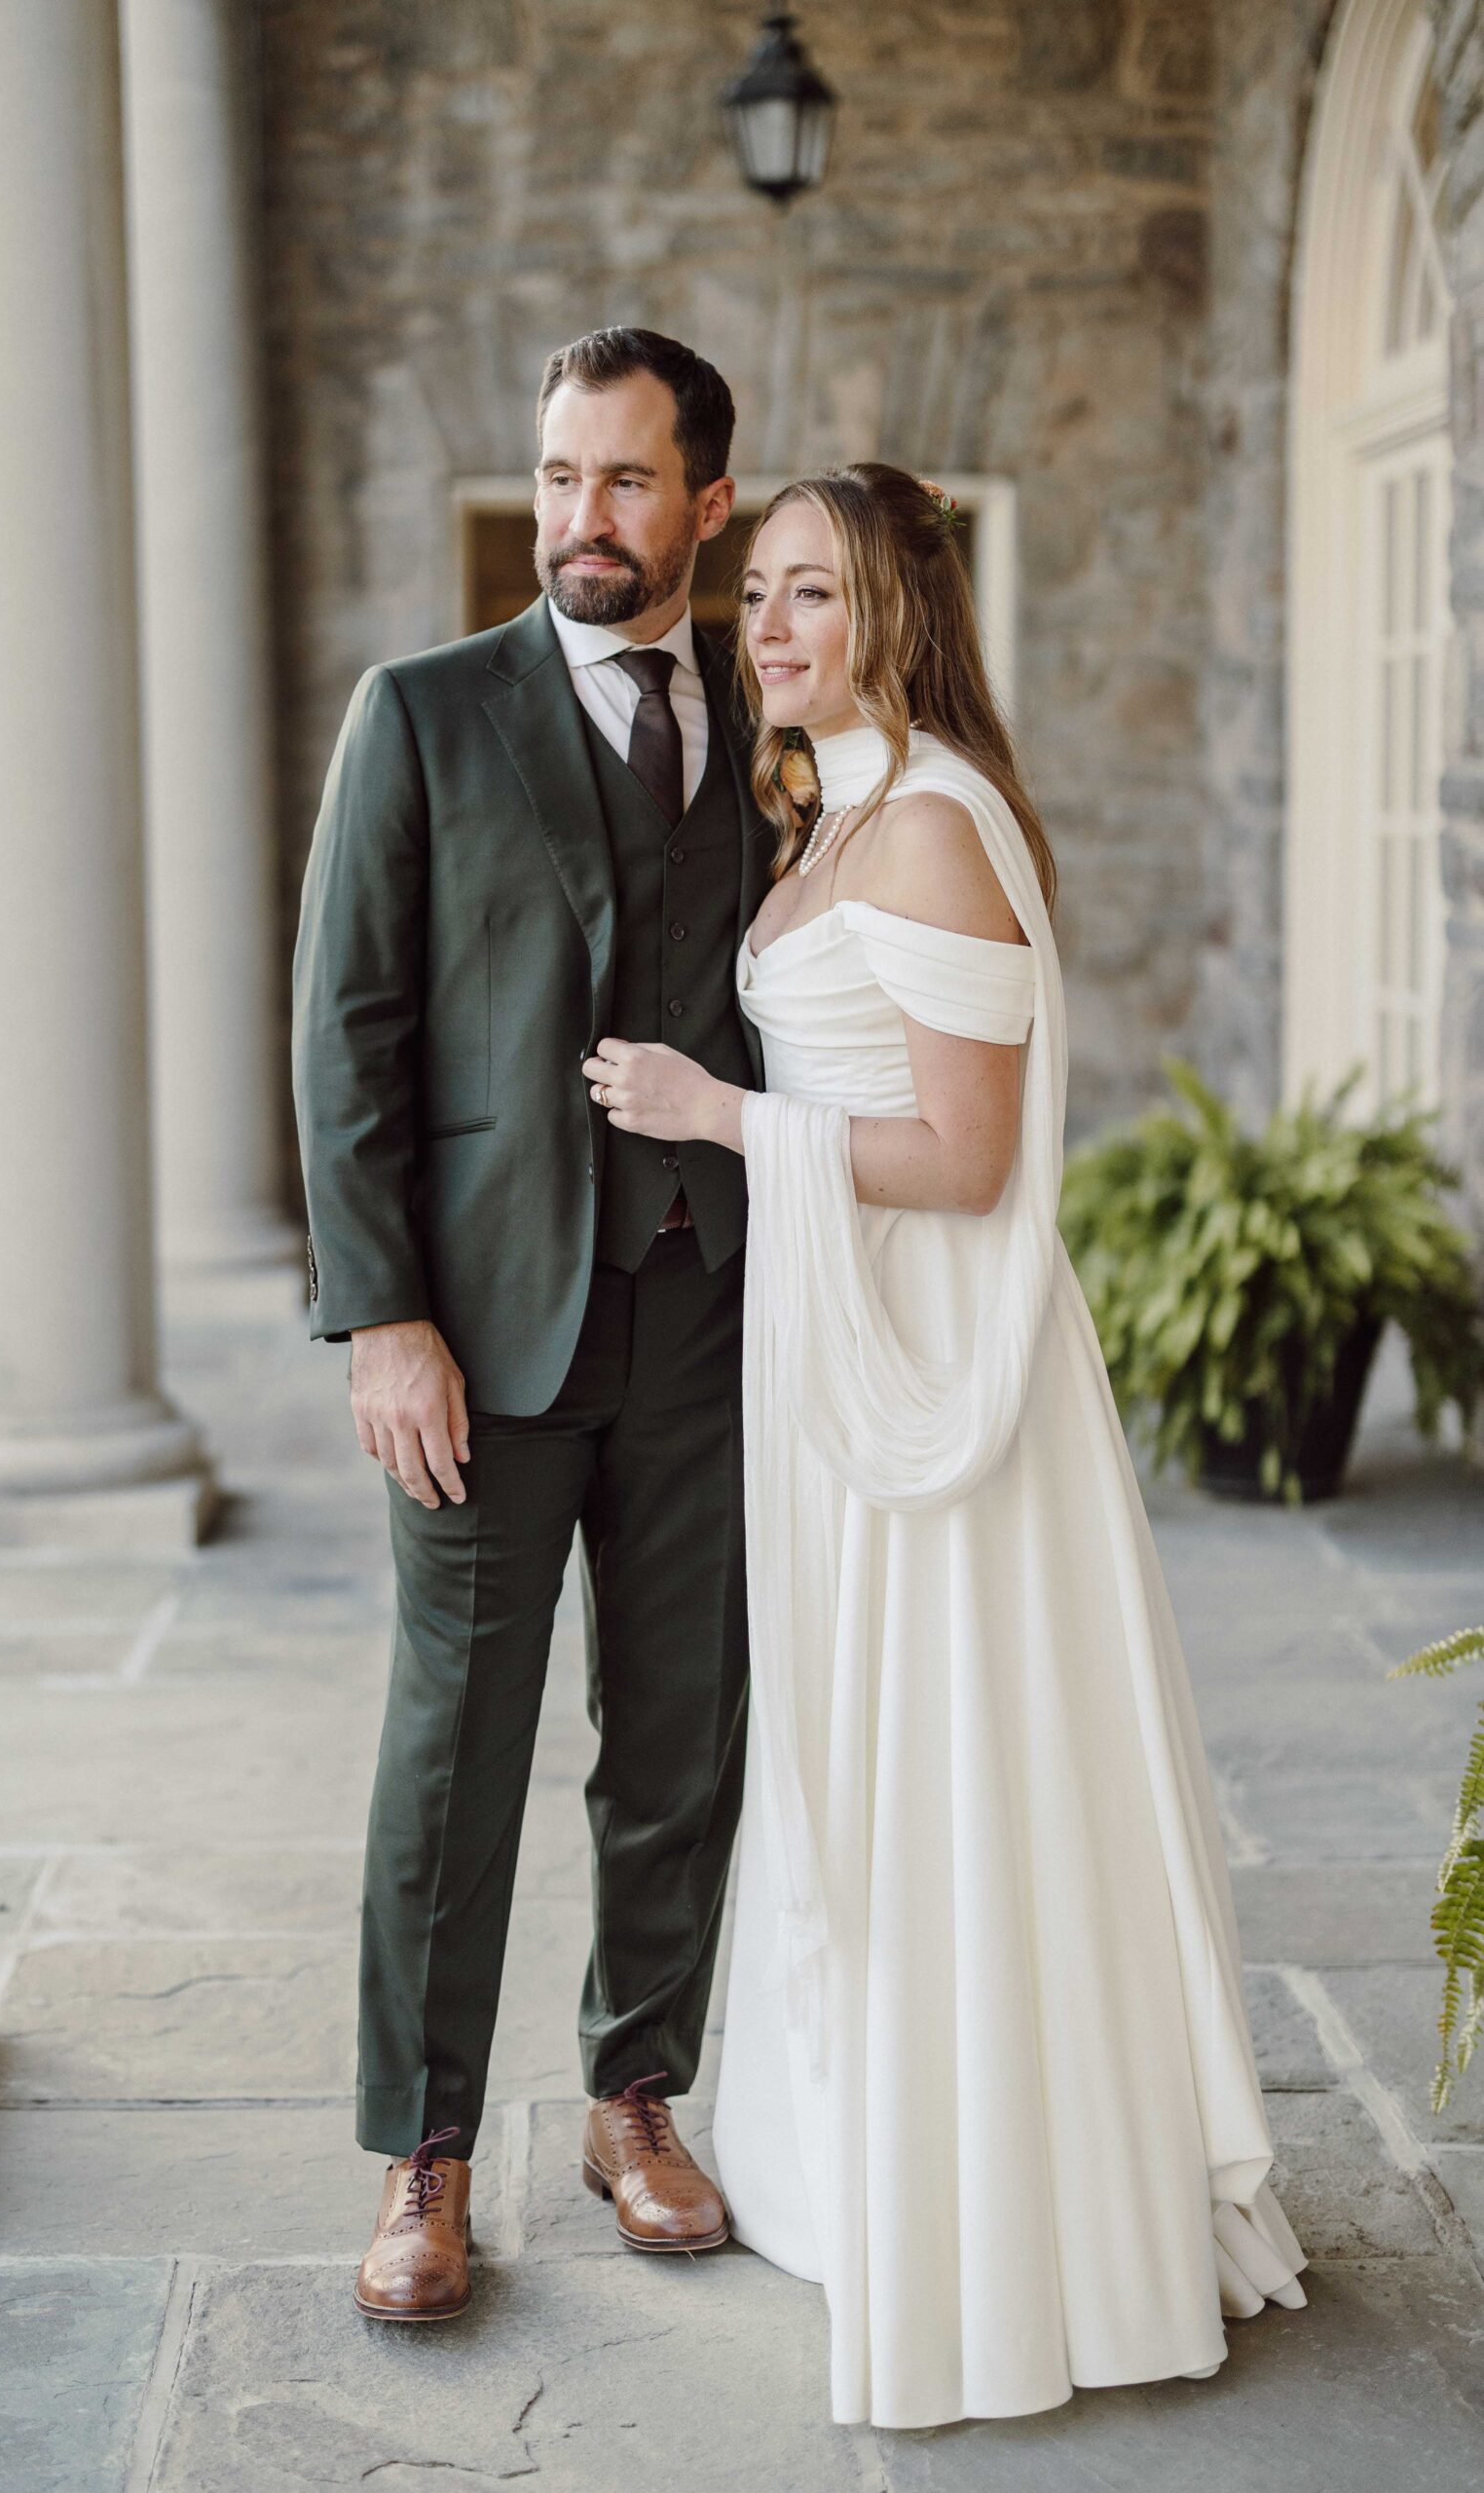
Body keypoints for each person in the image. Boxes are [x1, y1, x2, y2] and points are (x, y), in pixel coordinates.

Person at [580, 463, 1308, 2427]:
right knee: (854, 1754)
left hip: (930, 1374)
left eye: (814, 593)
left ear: (900, 608)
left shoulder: (932, 827)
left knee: (949, 1751)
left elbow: (970, 1156)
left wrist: (709, 1112)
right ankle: (852, 2156)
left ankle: (1008, 2217)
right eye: (758, 598)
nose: (775, 628)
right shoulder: (832, 808)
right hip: (832, 1348)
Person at [291, 328, 769, 2323]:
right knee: (455, 1744)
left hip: (711, 1315)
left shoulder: (777, 713)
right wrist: (382, 1312)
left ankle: (632, 2090)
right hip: (478, 1335)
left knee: (675, 1731)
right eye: (561, 475)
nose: (582, 516)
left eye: (625, 482)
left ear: (706, 504)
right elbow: (346, 1031)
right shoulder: (420, 713)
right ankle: (425, 2145)